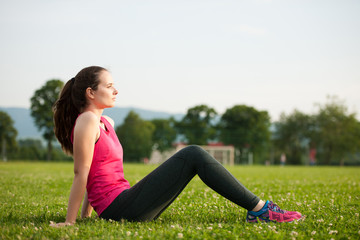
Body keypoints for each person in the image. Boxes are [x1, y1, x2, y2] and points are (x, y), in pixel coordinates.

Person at [50, 66, 302, 227]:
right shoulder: (86, 121)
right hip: (119, 208)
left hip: (123, 203)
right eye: (109, 86)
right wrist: (71, 222)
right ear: (90, 93)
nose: (116, 90)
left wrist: (87, 215)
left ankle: (259, 209)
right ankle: (260, 210)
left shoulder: (105, 122)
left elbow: (95, 172)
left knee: (192, 154)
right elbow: (81, 173)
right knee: (192, 153)